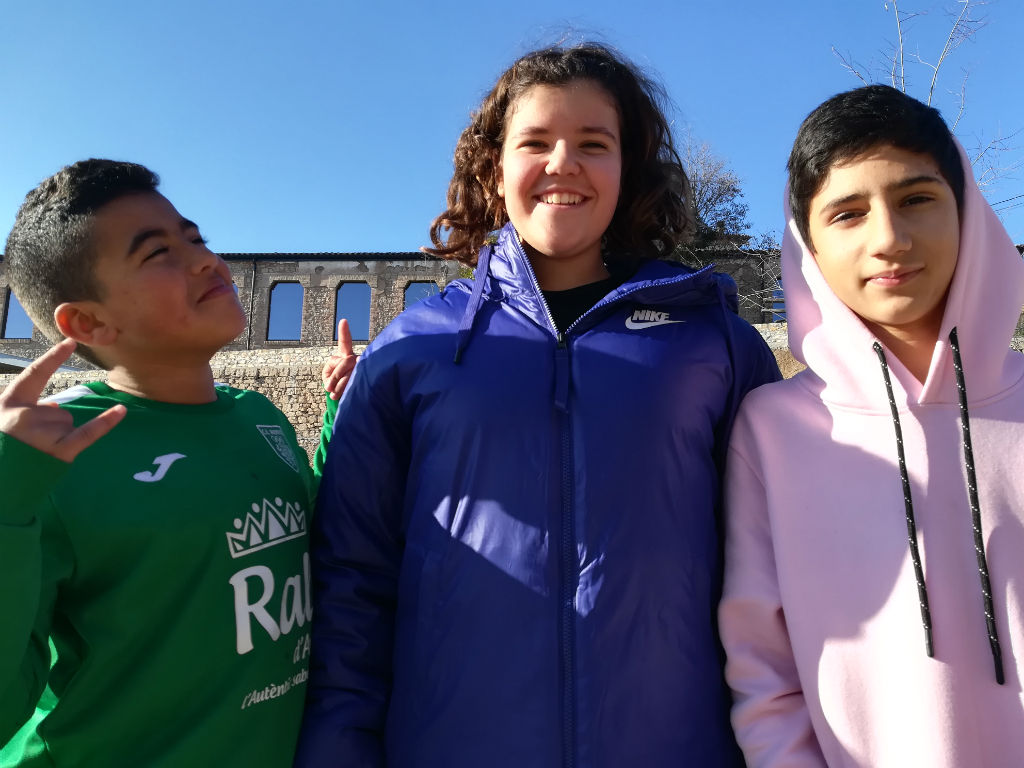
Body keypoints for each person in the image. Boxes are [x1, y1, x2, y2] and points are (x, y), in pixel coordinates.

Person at [295, 43, 779, 768]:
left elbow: (776, 571)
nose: (563, 163)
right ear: (493, 168)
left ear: (628, 167)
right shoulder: (411, 351)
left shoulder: (714, 344)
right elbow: (351, 582)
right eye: (536, 141)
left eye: (594, 144)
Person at [0, 159, 352, 767]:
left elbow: (300, 523)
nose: (205, 260)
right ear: (87, 321)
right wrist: (7, 502)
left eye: (195, 238)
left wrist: (339, 417)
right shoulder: (50, 458)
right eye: (158, 252)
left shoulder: (258, 416)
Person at [718, 85, 1024, 767]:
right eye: (848, 213)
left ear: (968, 212)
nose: (888, 238)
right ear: (808, 246)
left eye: (916, 199)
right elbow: (763, 671)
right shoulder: (773, 432)